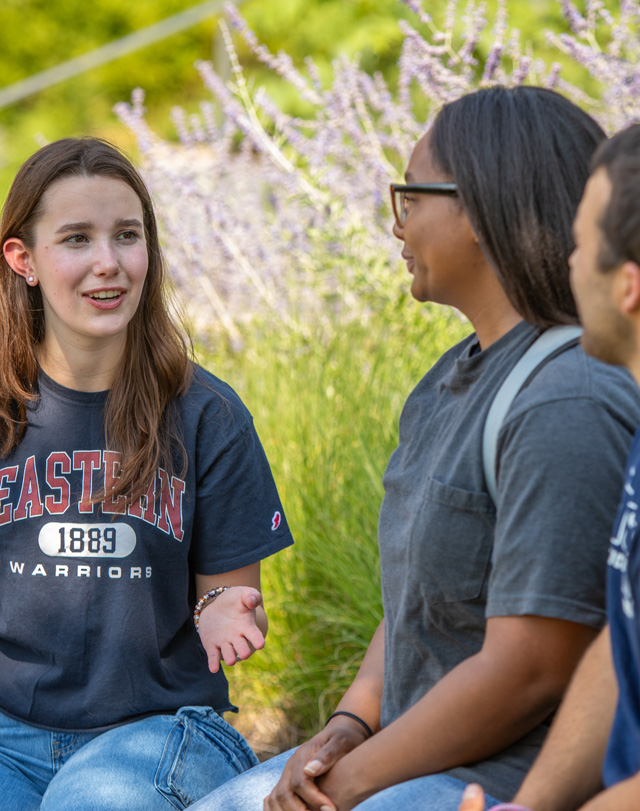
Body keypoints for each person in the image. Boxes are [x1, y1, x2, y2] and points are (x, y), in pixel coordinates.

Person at [189, 86, 640, 811]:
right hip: (406, 758)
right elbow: (416, 608)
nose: (395, 225)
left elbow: (531, 668)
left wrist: (353, 781)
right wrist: (345, 726)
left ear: (482, 211)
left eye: (410, 199)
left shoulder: (565, 401)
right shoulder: (446, 383)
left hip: (497, 781)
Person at [0, 137, 294, 810]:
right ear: (24, 259)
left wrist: (222, 610)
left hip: (161, 731)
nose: (109, 263)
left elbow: (227, 598)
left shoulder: (205, 413)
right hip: (8, 734)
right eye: (76, 238)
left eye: (127, 236)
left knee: (86, 801)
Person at [457, 123, 640, 811]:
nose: (567, 261)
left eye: (582, 245)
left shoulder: (574, 401)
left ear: (627, 285)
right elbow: (620, 651)